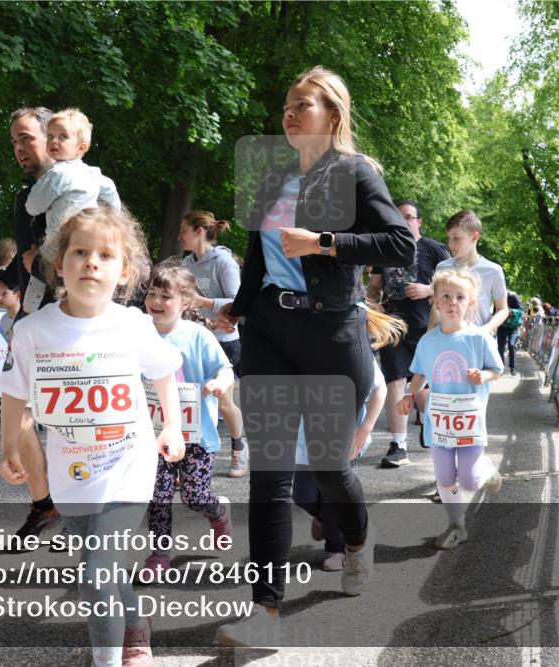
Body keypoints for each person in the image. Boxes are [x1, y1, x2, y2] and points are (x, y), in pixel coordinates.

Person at [214, 66, 415, 648]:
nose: (291, 113)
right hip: (271, 333)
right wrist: (239, 306)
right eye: (287, 104)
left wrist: (325, 241)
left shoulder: (353, 172)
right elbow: (257, 253)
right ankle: (265, 612)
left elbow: (398, 243)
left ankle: (355, 542)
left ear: (334, 114)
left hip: (330, 331)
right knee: (270, 475)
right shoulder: (273, 178)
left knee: (330, 470)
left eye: (305, 104)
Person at [0, 207, 184, 667]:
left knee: (98, 575)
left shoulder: (133, 325)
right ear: (59, 264)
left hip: (128, 471)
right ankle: (136, 621)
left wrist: (173, 425)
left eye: (105, 255)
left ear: (124, 272)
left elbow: (165, 373)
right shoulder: (32, 331)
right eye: (80, 252)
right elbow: (13, 395)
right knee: (100, 568)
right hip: (72, 474)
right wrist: (8, 449)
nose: (91, 262)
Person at [0, 107, 61, 541]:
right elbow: (21, 268)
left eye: (25, 139)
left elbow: (109, 249)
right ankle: (44, 504)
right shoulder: (23, 198)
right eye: (14, 142)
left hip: (77, 318)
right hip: (34, 317)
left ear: (53, 137)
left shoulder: (83, 188)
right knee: (20, 410)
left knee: (76, 416)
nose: (18, 149)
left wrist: (52, 262)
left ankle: (91, 513)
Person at [141, 259, 235, 577]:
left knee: (194, 496)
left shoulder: (197, 336)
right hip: (153, 435)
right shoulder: (137, 334)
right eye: (152, 293)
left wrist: (219, 384)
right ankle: (159, 554)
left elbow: (225, 369)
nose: (155, 302)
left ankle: (218, 511)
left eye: (164, 296)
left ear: (185, 302)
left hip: (196, 435)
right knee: (158, 495)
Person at [398, 268, 504, 549]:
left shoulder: (478, 338)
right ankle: (456, 525)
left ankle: (486, 470)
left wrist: (484, 376)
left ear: (471, 303)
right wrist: (410, 395)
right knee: (445, 476)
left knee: (469, 480)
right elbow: (419, 373)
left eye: (460, 297)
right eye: (446, 296)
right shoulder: (428, 341)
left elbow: (497, 369)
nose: (452, 302)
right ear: (435, 301)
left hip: (469, 419)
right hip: (440, 420)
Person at [294, 305, 398, 571]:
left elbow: (379, 391)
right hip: (304, 438)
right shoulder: (300, 347)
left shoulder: (355, 352)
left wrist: (364, 430)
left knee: (332, 490)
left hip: (345, 435)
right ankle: (331, 519)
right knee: (302, 494)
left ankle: (336, 548)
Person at [367, 200, 450, 468]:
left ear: (419, 221)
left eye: (408, 217)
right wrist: (373, 303)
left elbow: (456, 286)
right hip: (392, 327)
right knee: (395, 383)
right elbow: (373, 288)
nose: (402, 222)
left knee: (425, 388)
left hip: (428, 328)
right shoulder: (384, 251)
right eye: (397, 217)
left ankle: (435, 428)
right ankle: (398, 445)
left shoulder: (434, 249)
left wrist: (429, 290)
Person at [21, 108, 122, 312]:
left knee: (39, 280)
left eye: (62, 137)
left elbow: (32, 207)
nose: (54, 141)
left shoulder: (56, 175)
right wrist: (110, 218)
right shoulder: (92, 174)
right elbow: (111, 192)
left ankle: (28, 312)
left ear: (80, 147)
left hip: (56, 244)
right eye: (50, 136)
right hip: (86, 240)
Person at [178, 210, 250, 477]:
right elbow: (184, 303)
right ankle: (184, 461)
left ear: (199, 232)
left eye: (184, 230)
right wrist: (205, 319)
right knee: (188, 401)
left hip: (225, 342)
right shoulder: (186, 264)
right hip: (196, 340)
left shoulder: (224, 262)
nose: (179, 235)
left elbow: (238, 303)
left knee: (223, 403)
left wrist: (204, 303)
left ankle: (239, 451)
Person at [430, 210, 509, 334]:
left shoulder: (494, 271)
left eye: (456, 238)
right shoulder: (442, 267)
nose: (450, 243)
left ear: (474, 237)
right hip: (446, 340)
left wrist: (485, 330)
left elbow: (503, 309)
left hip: (477, 342)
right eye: (449, 238)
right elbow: (436, 306)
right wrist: (429, 335)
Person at [497, 291, 525, 376]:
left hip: (513, 327)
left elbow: (521, 311)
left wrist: (512, 311)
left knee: (511, 345)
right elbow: (496, 310)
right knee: (500, 347)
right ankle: (501, 368)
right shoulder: (497, 295)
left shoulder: (513, 296)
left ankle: (513, 367)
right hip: (502, 325)